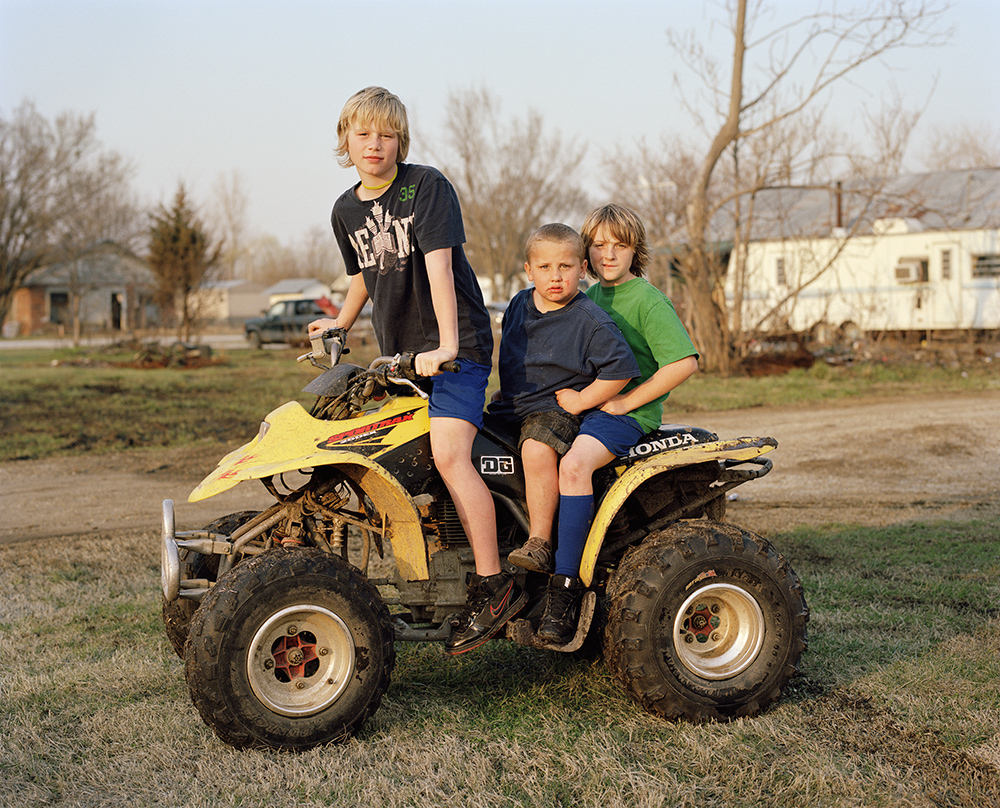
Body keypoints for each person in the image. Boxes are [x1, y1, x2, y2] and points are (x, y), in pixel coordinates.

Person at [307, 86, 520, 656]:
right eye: (363, 134)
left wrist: (448, 342)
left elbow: (440, 266)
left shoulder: (426, 187)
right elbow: (363, 274)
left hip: (457, 349)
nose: (374, 145)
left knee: (450, 454)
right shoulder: (345, 209)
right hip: (402, 358)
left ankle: (494, 585)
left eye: (386, 134)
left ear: (401, 139)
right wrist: (339, 325)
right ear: (345, 141)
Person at [526, 204, 700, 645]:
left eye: (618, 246)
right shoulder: (590, 295)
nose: (608, 255)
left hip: (624, 414)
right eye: (599, 245)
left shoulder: (647, 299)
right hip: (586, 406)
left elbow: (683, 363)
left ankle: (565, 588)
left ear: (634, 249)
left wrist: (627, 403)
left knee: (575, 466)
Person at [488, 223, 640, 629]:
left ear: (583, 270)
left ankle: (539, 541)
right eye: (546, 267)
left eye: (566, 266)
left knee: (536, 449)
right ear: (528, 270)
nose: (556, 276)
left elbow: (621, 371)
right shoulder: (519, 305)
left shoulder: (590, 320)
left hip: (554, 411)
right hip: (514, 405)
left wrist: (581, 400)